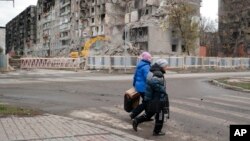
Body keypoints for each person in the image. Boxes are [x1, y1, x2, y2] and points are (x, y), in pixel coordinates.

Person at [132, 59, 169, 136]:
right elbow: (156, 85)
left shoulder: (151, 70)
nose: (166, 67)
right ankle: (157, 131)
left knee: (150, 113)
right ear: (162, 66)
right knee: (160, 115)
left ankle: (137, 120)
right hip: (157, 97)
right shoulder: (158, 74)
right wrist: (163, 91)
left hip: (151, 96)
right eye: (166, 66)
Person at [130, 52, 152, 119]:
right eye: (150, 58)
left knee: (146, 101)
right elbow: (147, 78)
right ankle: (134, 113)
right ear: (147, 59)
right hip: (144, 88)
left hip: (139, 87)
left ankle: (147, 116)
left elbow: (135, 76)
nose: (150, 59)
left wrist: (134, 85)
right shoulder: (146, 66)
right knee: (147, 102)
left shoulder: (140, 65)